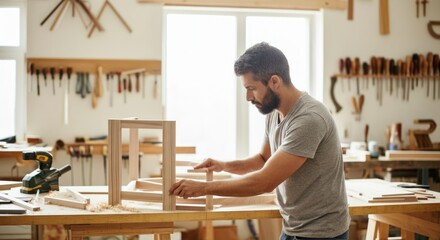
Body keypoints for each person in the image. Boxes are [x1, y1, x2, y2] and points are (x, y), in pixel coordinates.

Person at [169, 42, 350, 239]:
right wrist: (224, 165)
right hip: (294, 227)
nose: (248, 97)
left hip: (322, 233)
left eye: (252, 88)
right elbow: (264, 159)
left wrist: (202, 188)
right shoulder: (273, 113)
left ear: (274, 81)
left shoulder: (309, 119)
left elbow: (265, 182)